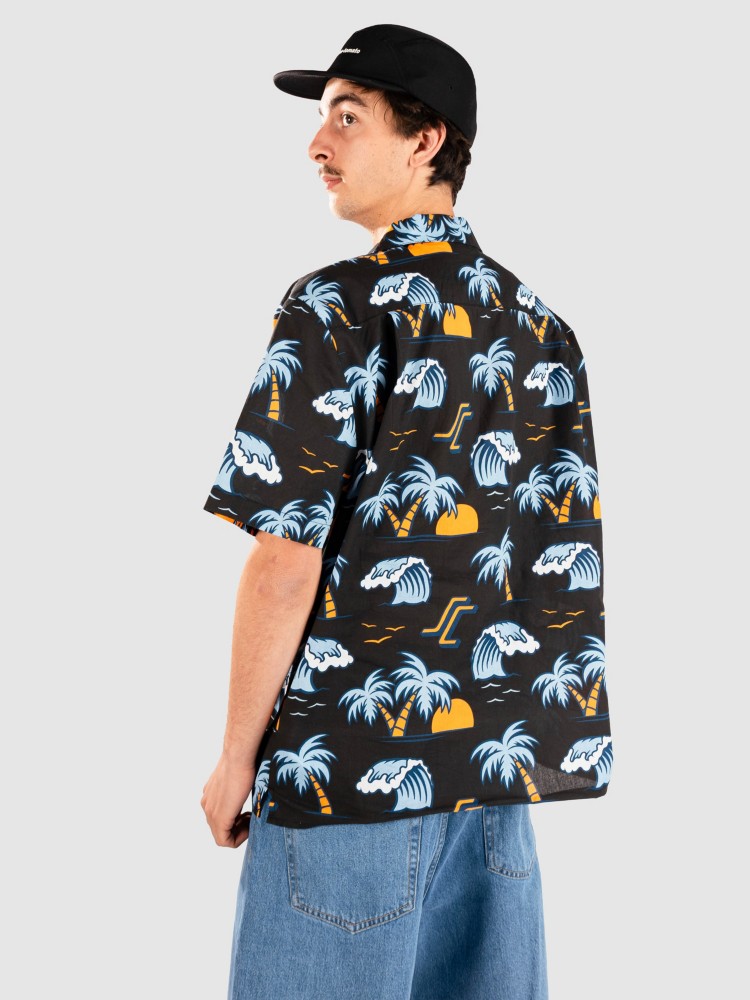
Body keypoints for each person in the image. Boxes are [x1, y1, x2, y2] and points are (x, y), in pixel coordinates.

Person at [200, 22, 612, 1000]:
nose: (318, 143)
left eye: (348, 117)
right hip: (495, 788)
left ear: (426, 141)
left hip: (349, 777)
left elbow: (285, 558)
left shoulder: (336, 308)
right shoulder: (543, 327)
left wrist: (233, 760)